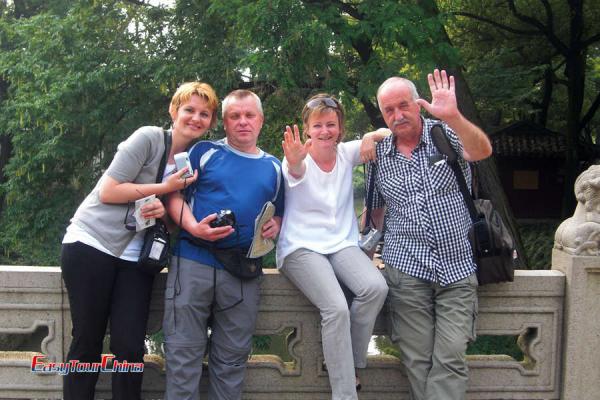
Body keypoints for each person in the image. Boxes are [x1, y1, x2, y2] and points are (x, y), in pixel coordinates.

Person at [60, 81, 219, 399]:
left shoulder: (192, 162)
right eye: (189, 110)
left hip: (137, 258)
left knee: (130, 346)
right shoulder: (149, 138)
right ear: (174, 111)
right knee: (88, 339)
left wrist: (172, 215)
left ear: (211, 122)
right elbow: (109, 191)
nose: (195, 118)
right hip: (92, 243)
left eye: (205, 113)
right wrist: (162, 188)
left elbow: (170, 222)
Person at [365, 69, 493, 400]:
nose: (397, 115)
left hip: (458, 266)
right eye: (388, 110)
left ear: (418, 103)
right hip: (405, 269)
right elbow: (376, 214)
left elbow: (481, 151)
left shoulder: (445, 134)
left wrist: (453, 115)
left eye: (403, 105)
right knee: (417, 360)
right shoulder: (378, 155)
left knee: (450, 359)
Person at [163, 89, 284, 400]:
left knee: (231, 362)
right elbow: (173, 194)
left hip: (242, 271)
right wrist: (193, 226)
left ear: (261, 121)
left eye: (249, 115)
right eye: (235, 116)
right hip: (193, 261)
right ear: (225, 122)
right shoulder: (203, 152)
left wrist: (279, 222)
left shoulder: (274, 167)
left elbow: (283, 210)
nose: (243, 122)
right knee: (182, 356)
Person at [276, 93, 389, 400]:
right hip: (300, 247)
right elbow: (295, 172)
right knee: (336, 308)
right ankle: (345, 390)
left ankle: (347, 360)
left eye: (331, 124)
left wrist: (368, 136)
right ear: (307, 128)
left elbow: (387, 133)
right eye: (317, 125)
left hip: (341, 244)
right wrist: (296, 160)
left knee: (375, 288)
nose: (324, 131)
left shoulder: (346, 154)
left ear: (340, 128)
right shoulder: (296, 159)